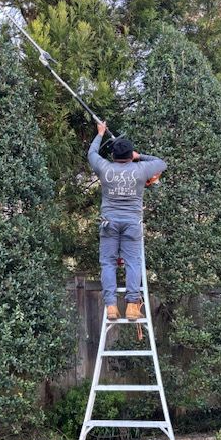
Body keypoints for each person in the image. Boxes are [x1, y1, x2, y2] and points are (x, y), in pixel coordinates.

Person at [88, 122, 167, 321]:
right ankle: (132, 306)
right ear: (130, 155)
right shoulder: (141, 169)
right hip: (132, 223)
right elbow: (161, 163)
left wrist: (99, 134)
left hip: (109, 223)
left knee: (108, 263)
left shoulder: (104, 168)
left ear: (113, 156)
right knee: (133, 262)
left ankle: (111, 306)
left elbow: (92, 154)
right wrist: (139, 157)